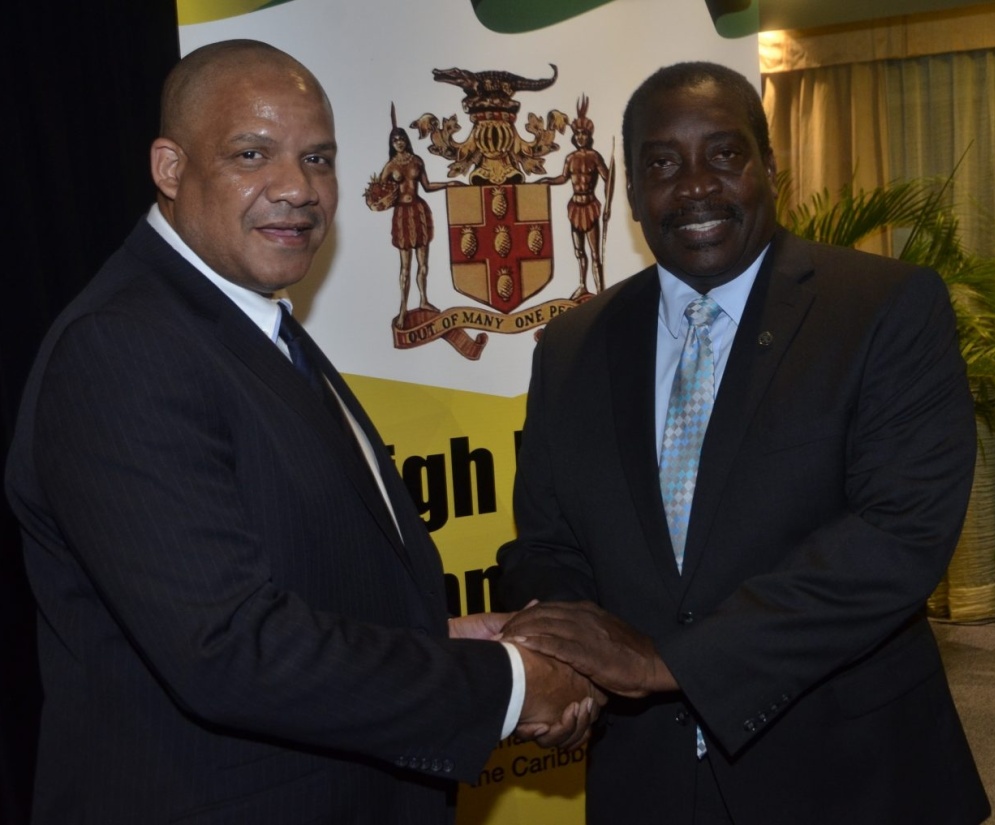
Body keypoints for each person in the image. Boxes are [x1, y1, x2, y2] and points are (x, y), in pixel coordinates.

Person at [4, 39, 599, 824]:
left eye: (317, 158)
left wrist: (439, 638)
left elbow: (284, 577)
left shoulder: (246, 321)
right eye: (253, 153)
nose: (297, 188)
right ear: (170, 168)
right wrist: (511, 684)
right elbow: (228, 649)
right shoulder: (123, 347)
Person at [496, 61, 991, 824]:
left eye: (724, 155)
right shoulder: (570, 346)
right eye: (662, 163)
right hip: (646, 777)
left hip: (847, 773)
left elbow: (897, 538)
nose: (694, 186)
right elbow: (548, 539)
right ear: (631, 193)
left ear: (769, 166)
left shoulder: (885, 308)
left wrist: (671, 664)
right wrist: (568, 660)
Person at [365, 108, 458, 329]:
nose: (399, 142)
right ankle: (403, 309)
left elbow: (426, 186)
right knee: (405, 267)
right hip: (402, 214)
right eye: (395, 140)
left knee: (423, 263)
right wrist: (378, 201)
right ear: (392, 143)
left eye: (401, 138)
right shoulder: (390, 166)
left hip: (418, 210)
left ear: (406, 141)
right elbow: (377, 193)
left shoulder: (417, 161)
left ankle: (424, 299)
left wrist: (448, 184)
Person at [538, 95, 612, 299]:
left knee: (595, 254)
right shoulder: (570, 158)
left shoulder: (594, 157)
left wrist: (607, 206)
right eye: (578, 134)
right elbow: (563, 178)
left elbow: (609, 179)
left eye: (584, 134)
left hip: (590, 205)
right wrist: (547, 181)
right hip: (575, 207)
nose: (581, 137)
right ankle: (582, 284)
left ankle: (600, 288)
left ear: (589, 136)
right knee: (579, 252)